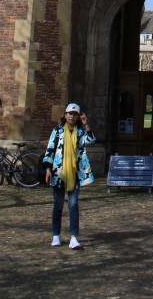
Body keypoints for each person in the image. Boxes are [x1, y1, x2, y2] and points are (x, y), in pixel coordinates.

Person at [43, 102, 95, 249]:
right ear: (65, 115)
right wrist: (47, 168)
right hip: (58, 174)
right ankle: (56, 235)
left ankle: (73, 237)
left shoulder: (80, 132)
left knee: (73, 205)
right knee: (58, 206)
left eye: (75, 114)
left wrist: (86, 125)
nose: (72, 116)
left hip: (75, 174)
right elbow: (50, 150)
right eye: (70, 114)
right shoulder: (57, 131)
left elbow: (91, 140)